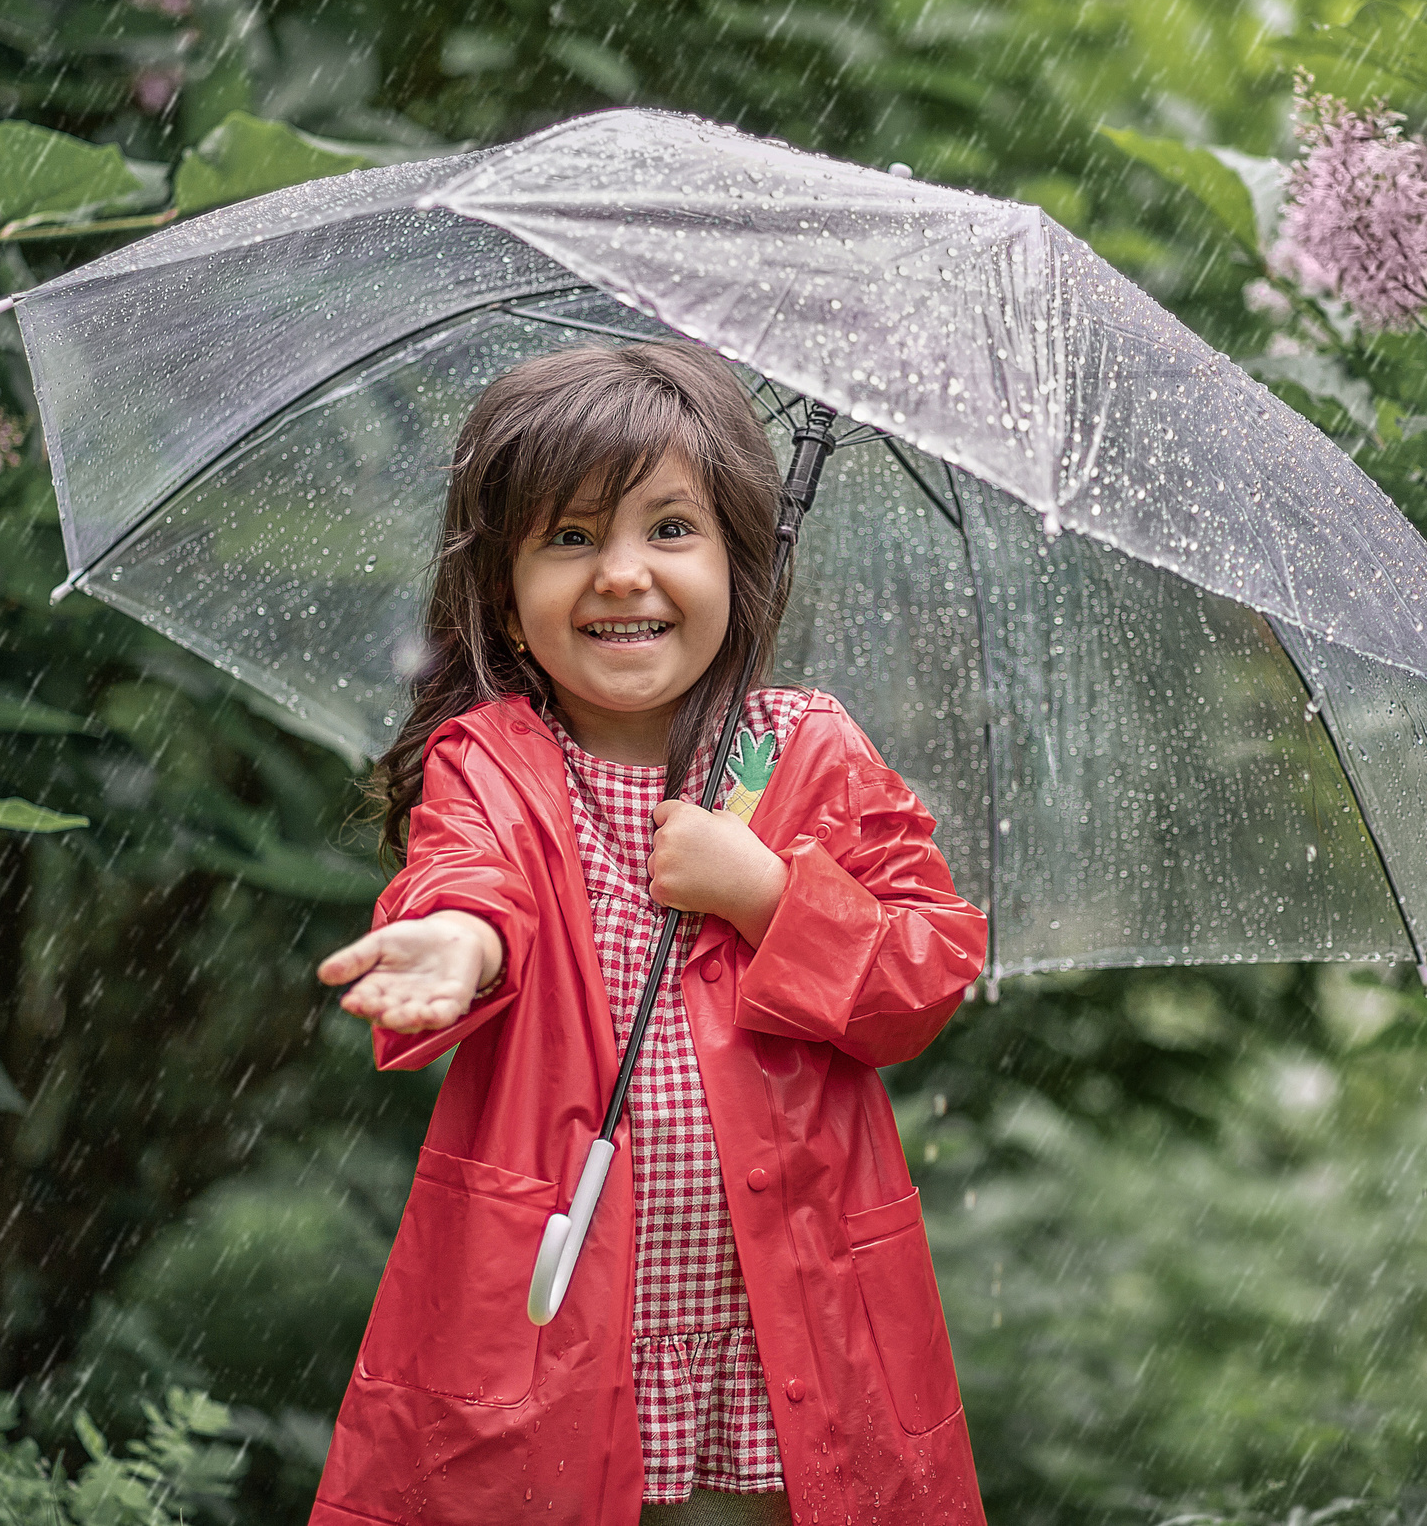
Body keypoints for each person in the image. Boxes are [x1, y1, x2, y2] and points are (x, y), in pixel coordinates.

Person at [308, 340, 988, 1526]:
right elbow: (475, 874)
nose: (622, 574)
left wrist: (768, 897)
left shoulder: (805, 753)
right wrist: (456, 942)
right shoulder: (501, 762)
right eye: (569, 538)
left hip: (790, 1289)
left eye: (670, 529)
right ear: (507, 603)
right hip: (556, 1281)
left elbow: (922, 972)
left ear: (740, 562)